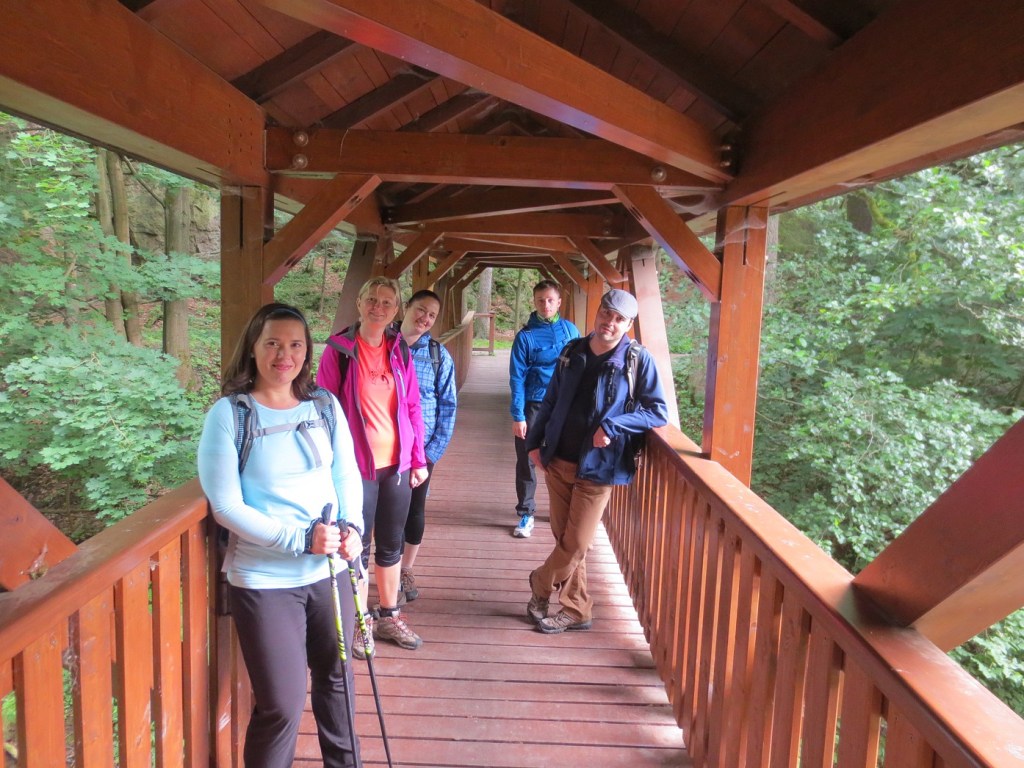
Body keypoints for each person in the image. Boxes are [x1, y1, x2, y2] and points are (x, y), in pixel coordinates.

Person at [197, 302, 365, 768]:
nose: (283, 355)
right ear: (253, 347)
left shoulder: (324, 405)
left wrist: (353, 527)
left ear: (307, 351)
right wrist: (299, 540)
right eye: (272, 343)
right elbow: (226, 507)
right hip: (265, 580)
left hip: (330, 572)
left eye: (295, 345)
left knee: (339, 686)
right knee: (282, 706)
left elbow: (346, 474)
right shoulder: (229, 415)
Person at [524, 289, 669, 634]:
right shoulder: (572, 351)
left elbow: (657, 411)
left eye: (619, 319)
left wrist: (613, 425)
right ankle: (577, 609)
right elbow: (550, 400)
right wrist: (533, 444)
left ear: (628, 325)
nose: (610, 323)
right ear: (598, 311)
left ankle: (540, 583)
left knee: (576, 544)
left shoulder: (637, 360)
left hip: (599, 466)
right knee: (566, 541)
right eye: (606, 313)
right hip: (558, 459)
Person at [317, 276, 429, 655]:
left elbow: (412, 406)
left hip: (396, 465)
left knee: (392, 543)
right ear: (359, 302)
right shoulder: (339, 351)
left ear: (396, 310)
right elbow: (324, 409)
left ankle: (389, 614)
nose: (378, 307)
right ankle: (360, 619)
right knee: (358, 545)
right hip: (355, 468)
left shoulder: (399, 350)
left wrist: (417, 459)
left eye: (386, 302)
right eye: (372, 299)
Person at [396, 289, 458, 604]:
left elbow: (449, 405)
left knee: (415, 509)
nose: (425, 318)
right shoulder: (382, 345)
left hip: (422, 449)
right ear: (406, 307)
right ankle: (387, 568)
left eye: (432, 315)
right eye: (421, 310)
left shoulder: (438, 355)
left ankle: (406, 569)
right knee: (387, 511)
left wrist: (433, 452)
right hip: (385, 446)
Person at [508, 279, 580, 538]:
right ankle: (526, 512)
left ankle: (563, 509)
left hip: (565, 405)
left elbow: (581, 369)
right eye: (541, 300)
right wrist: (518, 415)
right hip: (534, 405)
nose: (546, 304)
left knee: (564, 458)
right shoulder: (525, 337)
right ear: (534, 302)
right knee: (527, 459)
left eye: (550, 300)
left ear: (559, 302)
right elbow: (516, 378)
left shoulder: (571, 331)